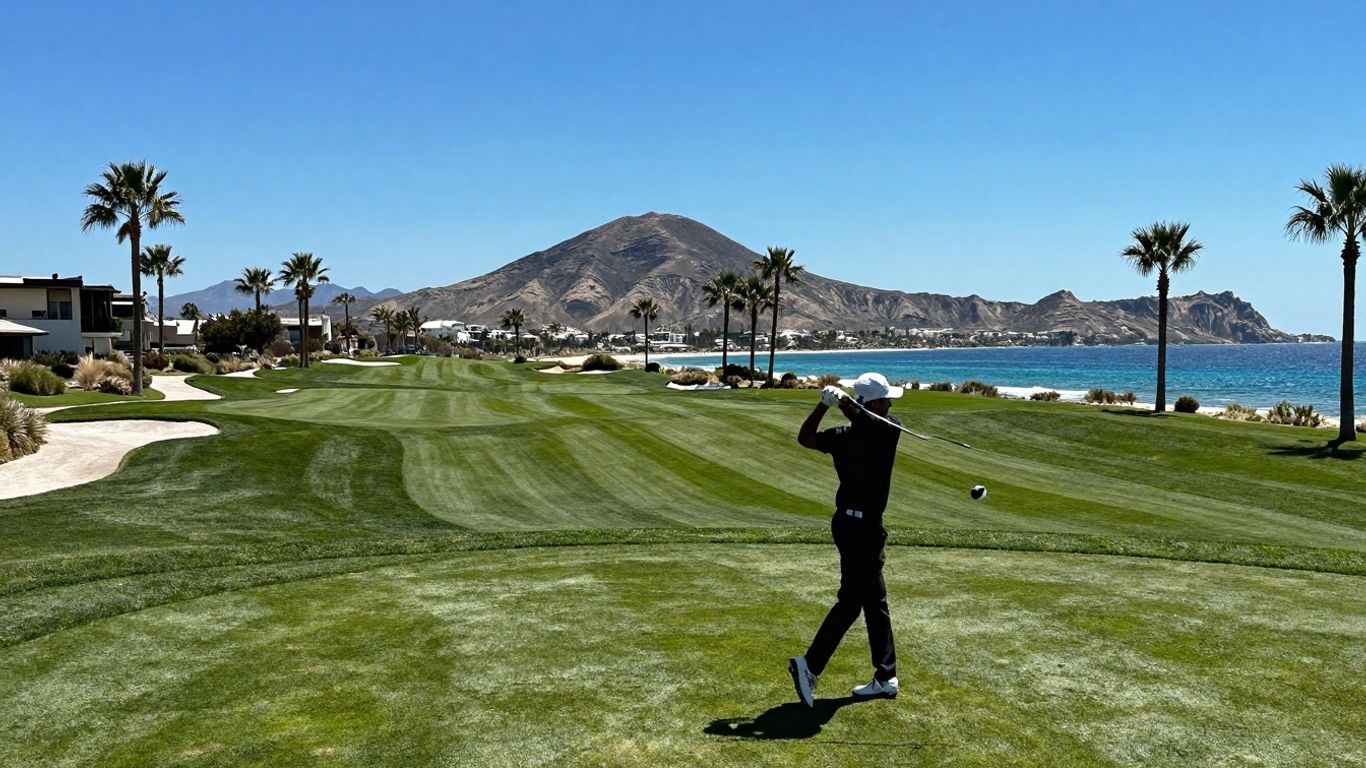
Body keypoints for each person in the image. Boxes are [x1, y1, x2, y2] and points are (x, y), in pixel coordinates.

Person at [789, 371, 903, 707]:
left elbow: (866, 423)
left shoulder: (887, 428)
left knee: (874, 603)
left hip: (861, 527)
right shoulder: (851, 434)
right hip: (858, 531)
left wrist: (840, 403)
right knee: (853, 601)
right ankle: (809, 665)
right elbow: (805, 438)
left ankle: (885, 676)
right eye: (885, 399)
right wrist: (823, 405)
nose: (891, 403)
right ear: (872, 403)